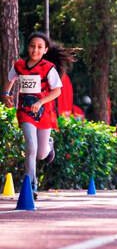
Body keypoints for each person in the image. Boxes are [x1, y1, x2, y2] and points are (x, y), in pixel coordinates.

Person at [2, 32, 76, 200]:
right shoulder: (19, 65)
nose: (35, 50)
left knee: (41, 154)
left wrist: (41, 102)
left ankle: (49, 145)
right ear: (27, 47)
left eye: (39, 47)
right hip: (25, 112)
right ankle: (31, 185)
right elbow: (10, 79)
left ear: (45, 50)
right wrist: (6, 93)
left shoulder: (48, 68)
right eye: (32, 46)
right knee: (31, 147)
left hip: (44, 113)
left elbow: (57, 91)